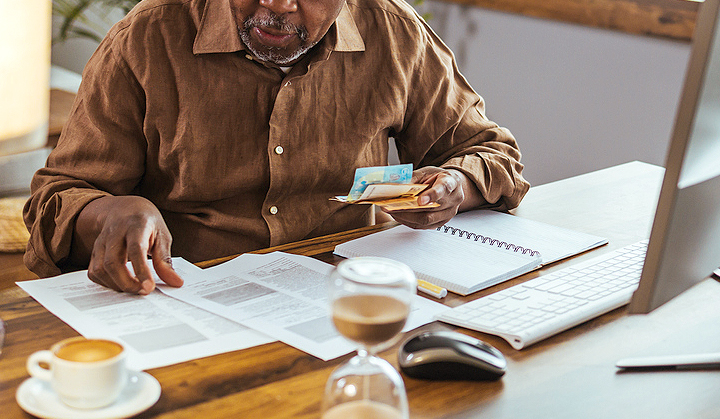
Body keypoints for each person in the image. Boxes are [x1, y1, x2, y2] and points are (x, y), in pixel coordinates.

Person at [24, 0, 528, 295]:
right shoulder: (147, 37)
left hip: (349, 298)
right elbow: (58, 196)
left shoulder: (394, 33)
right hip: (189, 293)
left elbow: (492, 153)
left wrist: (454, 185)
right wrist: (110, 211)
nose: (280, 5)